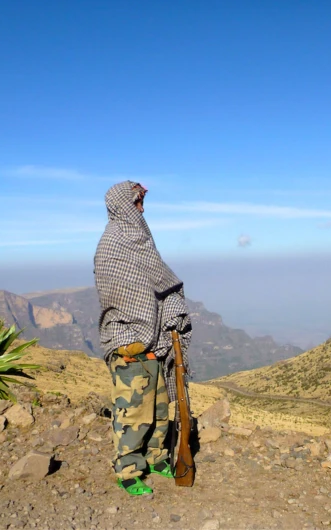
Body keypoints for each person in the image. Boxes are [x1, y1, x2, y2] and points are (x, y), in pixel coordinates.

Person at [94, 181, 193, 495]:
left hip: (153, 341)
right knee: (132, 413)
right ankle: (128, 471)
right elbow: (118, 291)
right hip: (128, 340)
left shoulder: (137, 239)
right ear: (124, 204)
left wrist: (163, 320)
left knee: (159, 409)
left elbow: (158, 279)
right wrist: (135, 329)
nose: (143, 209)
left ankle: (156, 457)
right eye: (138, 202)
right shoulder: (115, 242)